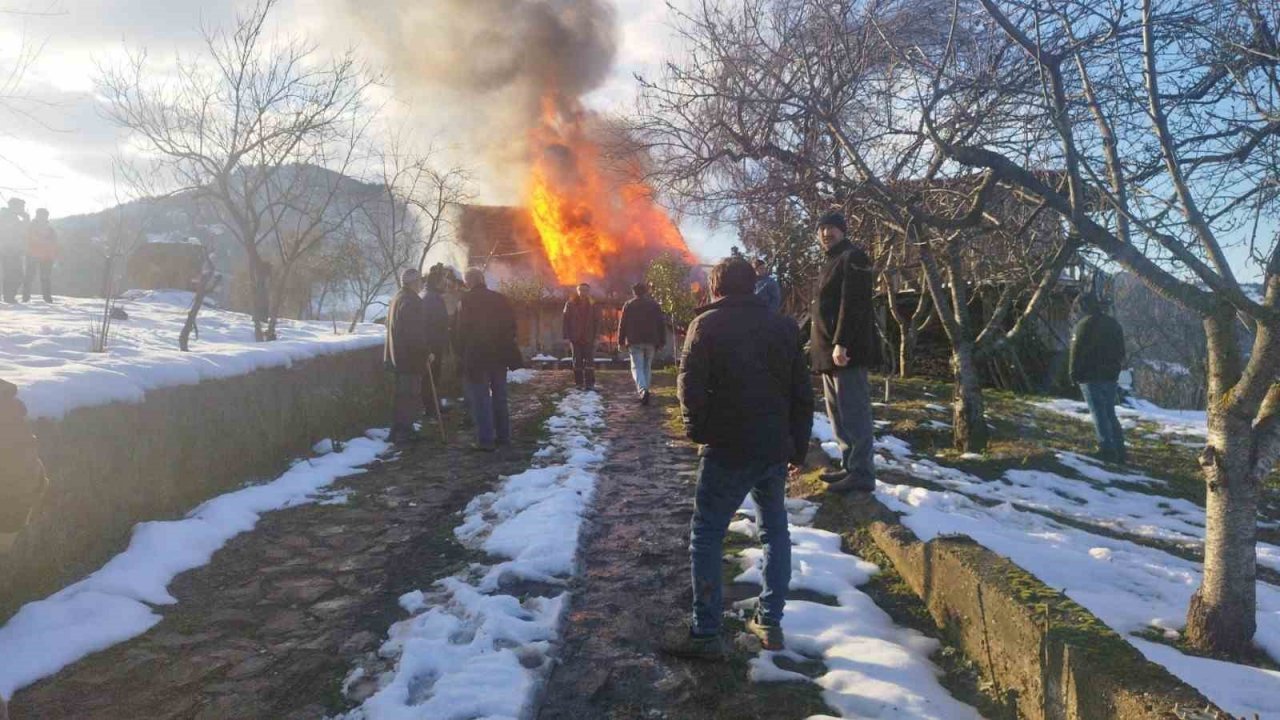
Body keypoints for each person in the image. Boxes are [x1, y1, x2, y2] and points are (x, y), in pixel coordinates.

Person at [668, 256, 813, 659]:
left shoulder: (705, 326)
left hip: (726, 448)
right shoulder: (784, 327)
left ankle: (706, 632)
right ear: (753, 286)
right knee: (774, 532)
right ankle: (770, 622)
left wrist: (700, 433)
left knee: (707, 534)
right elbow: (802, 393)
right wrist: (797, 447)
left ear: (716, 288)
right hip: (772, 447)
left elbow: (689, 389)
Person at [810, 210, 880, 494]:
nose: (827, 233)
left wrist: (842, 342)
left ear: (844, 231)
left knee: (854, 413)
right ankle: (849, 466)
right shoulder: (830, 261)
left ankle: (862, 473)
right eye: (822, 228)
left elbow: (853, 304)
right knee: (838, 415)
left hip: (845, 351)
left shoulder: (854, 258)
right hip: (829, 352)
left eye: (833, 228)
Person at [456, 268, 518, 452]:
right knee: (500, 397)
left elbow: (461, 332)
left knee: (481, 399)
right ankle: (504, 437)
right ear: (483, 280)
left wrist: (461, 355)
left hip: (477, 358)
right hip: (499, 356)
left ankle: (486, 440)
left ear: (468, 282)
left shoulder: (465, 301)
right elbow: (512, 327)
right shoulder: (500, 298)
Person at [1070, 293, 1128, 465]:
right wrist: (1114, 368)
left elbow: (1075, 352)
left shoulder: (1082, 325)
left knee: (1098, 413)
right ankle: (1120, 450)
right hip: (1110, 375)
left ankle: (1106, 449)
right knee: (1109, 412)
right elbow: (1121, 351)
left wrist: (1072, 373)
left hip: (1090, 375)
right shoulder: (1113, 323)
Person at [384, 268, 430, 445]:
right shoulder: (413, 301)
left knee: (401, 396)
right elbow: (415, 333)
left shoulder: (396, 298)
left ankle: (398, 431)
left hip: (397, 356)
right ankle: (404, 433)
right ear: (413, 282)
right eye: (420, 281)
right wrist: (425, 352)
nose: (422, 284)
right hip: (410, 357)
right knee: (410, 395)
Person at [618, 282, 666, 405]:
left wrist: (621, 341)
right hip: (651, 341)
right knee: (647, 367)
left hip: (634, 341)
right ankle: (645, 389)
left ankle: (643, 390)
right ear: (646, 291)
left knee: (637, 367)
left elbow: (622, 325)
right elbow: (661, 324)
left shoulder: (629, 305)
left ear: (634, 292)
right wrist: (662, 341)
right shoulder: (654, 305)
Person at [420, 265, 451, 411]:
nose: (446, 284)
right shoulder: (431, 299)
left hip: (433, 344)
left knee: (431, 377)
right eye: (443, 281)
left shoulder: (428, 295)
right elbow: (434, 323)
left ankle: (432, 405)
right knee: (430, 378)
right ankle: (431, 408)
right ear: (436, 283)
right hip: (433, 346)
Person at [563, 282, 599, 391]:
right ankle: (578, 383)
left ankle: (589, 384)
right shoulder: (570, 304)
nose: (583, 292)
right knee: (577, 362)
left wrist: (597, 337)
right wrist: (566, 337)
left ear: (589, 291)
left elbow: (598, 322)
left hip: (589, 338)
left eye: (585, 290)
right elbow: (565, 321)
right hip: (575, 338)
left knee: (589, 362)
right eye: (581, 290)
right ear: (577, 291)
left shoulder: (594, 305)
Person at [23, 208, 56, 303]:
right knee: (29, 277)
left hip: (46, 257)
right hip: (32, 255)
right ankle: (25, 298)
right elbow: (30, 239)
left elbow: (54, 243)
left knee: (45, 278)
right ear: (37, 215)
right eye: (41, 215)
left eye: (45, 215)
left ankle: (47, 299)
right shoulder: (31, 227)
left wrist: (53, 255)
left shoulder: (50, 228)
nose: (43, 217)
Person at [0, 198, 29, 303]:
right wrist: (26, 218)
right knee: (13, 275)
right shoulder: (7, 217)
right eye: (21, 206)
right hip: (8, 251)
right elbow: (18, 231)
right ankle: (9, 297)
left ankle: (9, 296)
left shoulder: (12, 217)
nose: (23, 209)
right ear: (14, 206)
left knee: (16, 275)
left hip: (14, 251)